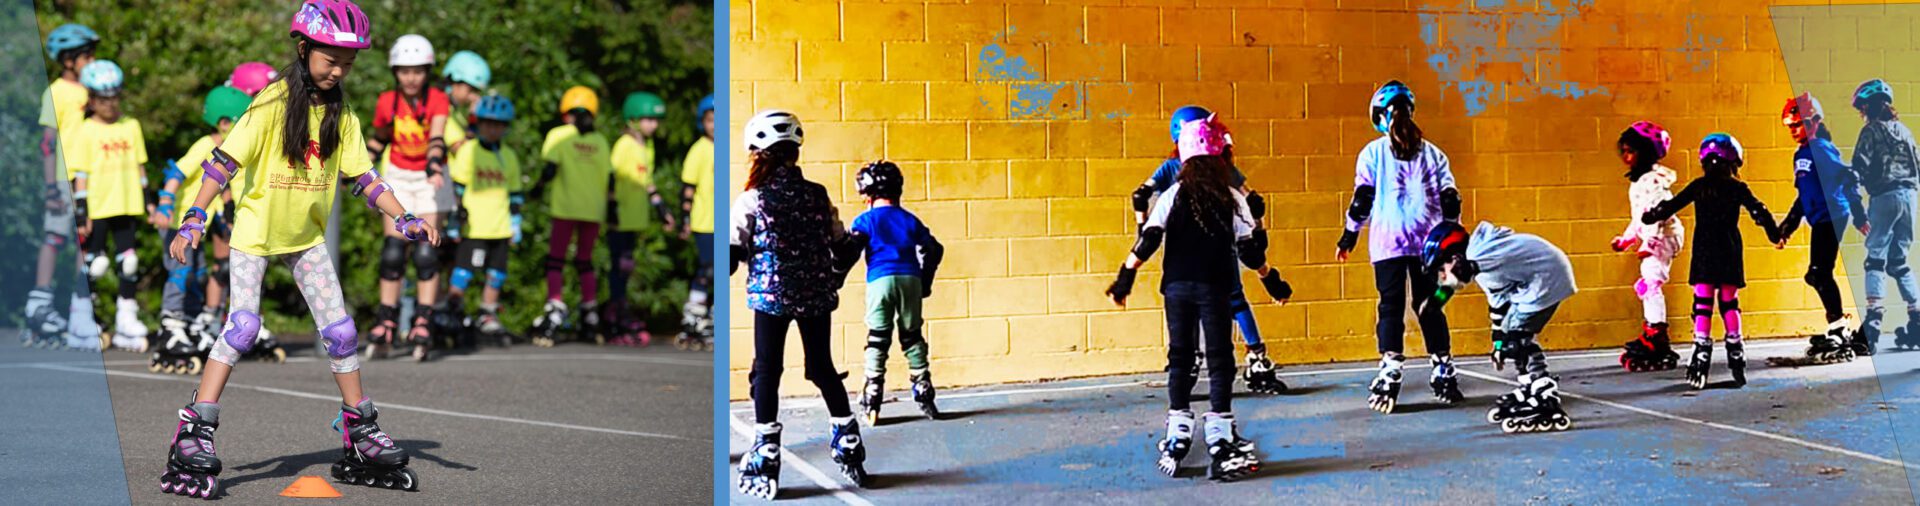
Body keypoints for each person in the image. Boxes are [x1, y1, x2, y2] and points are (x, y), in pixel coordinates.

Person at [159, 2, 432, 497]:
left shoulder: (341, 113)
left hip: (304, 238)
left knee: (342, 332)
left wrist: (404, 215)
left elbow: (364, 178)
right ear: (304, 49)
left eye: (348, 63)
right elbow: (223, 164)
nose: (338, 71)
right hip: (255, 235)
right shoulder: (271, 102)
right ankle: (193, 430)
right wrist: (194, 218)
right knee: (242, 328)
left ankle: (360, 428)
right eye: (331, 60)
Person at [1105, 114, 1290, 481]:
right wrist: (1273, 282)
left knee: (1180, 356)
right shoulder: (1233, 197)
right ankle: (1219, 435)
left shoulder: (1173, 194)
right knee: (1220, 358)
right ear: (1222, 156)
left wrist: (1125, 278)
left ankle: (1178, 431)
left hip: (1176, 288)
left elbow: (1149, 239)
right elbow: (1249, 253)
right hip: (1215, 288)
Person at [731, 110, 869, 499]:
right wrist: (841, 266)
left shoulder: (752, 199)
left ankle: (766, 447)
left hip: (770, 299)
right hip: (815, 296)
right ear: (794, 153)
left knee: (767, 371)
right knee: (821, 368)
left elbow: (732, 250)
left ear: (758, 155)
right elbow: (841, 247)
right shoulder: (818, 195)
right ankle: (848, 439)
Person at [1130, 105, 1284, 394]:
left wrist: (1142, 232)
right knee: (1227, 300)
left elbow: (1140, 196)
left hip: (1190, 250)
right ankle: (1252, 358)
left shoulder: (1201, 169)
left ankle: (1195, 363)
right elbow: (1254, 201)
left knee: (1193, 302)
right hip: (1214, 246)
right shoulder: (1193, 168)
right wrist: (1258, 234)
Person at [1335, 80, 1463, 413]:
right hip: (1428, 242)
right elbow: (1450, 200)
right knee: (1430, 305)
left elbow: (1362, 200)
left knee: (1390, 306)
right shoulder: (1434, 153)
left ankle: (1391, 368)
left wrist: (1349, 236)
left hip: (1388, 240)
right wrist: (1453, 242)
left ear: (1379, 116)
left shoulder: (1373, 153)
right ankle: (1443, 368)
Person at [1641, 133, 1782, 389]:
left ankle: (1701, 348)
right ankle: (1735, 347)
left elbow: (1671, 205)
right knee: (1729, 302)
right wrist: (1775, 234)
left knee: (1703, 303)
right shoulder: (1737, 188)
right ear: (1734, 161)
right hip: (1728, 249)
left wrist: (1650, 217)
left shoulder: (1699, 186)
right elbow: (1758, 211)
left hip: (1705, 249)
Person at [156, 86, 281, 374]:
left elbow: (223, 183)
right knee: (182, 272)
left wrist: (228, 210)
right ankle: (169, 325)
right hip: (182, 223)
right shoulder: (204, 144)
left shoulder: (229, 148)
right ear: (224, 122)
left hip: (206, 223)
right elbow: (178, 173)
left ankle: (192, 323)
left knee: (203, 273)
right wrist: (165, 204)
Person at [1424, 221, 1577, 433]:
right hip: (1537, 280)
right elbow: (1498, 309)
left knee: (1518, 341)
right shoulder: (1484, 271)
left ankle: (1544, 392)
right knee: (1509, 340)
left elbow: (1462, 271)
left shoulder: (1481, 251)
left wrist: (1435, 302)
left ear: (1455, 257)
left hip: (1546, 279)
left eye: (1442, 269)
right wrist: (1497, 344)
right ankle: (1529, 386)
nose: (1442, 276)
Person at [365, 33, 453, 361]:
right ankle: (387, 319)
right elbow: (380, 139)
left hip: (431, 176)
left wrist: (433, 164)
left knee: (426, 253)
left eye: (417, 71)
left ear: (427, 71)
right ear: (395, 72)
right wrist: (356, 169)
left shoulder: (438, 100)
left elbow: (438, 136)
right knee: (393, 251)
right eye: (404, 71)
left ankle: (423, 320)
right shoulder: (387, 101)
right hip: (399, 175)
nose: (411, 77)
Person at [849, 161, 945, 425]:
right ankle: (923, 386)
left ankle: (873, 389)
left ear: (867, 197)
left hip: (880, 279)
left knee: (878, 337)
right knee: (911, 335)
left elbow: (847, 252)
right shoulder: (909, 219)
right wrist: (925, 282)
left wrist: (834, 278)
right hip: (910, 278)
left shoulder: (865, 220)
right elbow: (934, 249)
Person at [1776, 93, 1871, 360]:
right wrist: (1787, 228)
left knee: (1819, 273)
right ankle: (1838, 325)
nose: (1795, 131)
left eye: (1800, 124)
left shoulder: (1821, 149)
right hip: (1819, 217)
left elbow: (1847, 177)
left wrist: (1859, 214)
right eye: (1791, 126)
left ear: (1815, 122)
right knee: (1817, 274)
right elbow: (1802, 197)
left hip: (1832, 216)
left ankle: (1838, 328)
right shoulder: (1802, 154)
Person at [25, 23, 102, 350]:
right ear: (68, 59)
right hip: (62, 176)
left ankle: (78, 306)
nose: (92, 60)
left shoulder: (92, 89)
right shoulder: (55, 91)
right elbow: (47, 143)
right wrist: (51, 188)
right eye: (87, 55)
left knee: (85, 240)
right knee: (55, 236)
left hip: (91, 176)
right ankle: (38, 303)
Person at [70, 59, 151, 354]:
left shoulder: (131, 126)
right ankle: (81, 316)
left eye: (114, 97)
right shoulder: (86, 130)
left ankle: (126, 319)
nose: (110, 104)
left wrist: (151, 202)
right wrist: (82, 212)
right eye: (103, 99)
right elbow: (80, 175)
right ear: (91, 99)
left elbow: (141, 168)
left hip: (127, 204)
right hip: (98, 208)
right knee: (96, 264)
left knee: (128, 263)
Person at [528, 86, 615, 346]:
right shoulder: (599, 141)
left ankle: (555, 305)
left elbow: (551, 169)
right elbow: (610, 179)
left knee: (556, 260)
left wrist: (537, 188)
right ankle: (589, 312)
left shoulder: (559, 135)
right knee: (584, 262)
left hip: (565, 209)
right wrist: (612, 208)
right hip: (593, 211)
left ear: (566, 114)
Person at [1846, 79, 1920, 352]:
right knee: (1899, 262)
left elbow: (1858, 170)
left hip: (1884, 196)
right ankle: (1917, 318)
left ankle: (1873, 325)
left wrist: (1857, 208)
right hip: (1910, 198)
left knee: (1875, 260)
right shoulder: (1906, 131)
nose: (1861, 112)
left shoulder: (1871, 131)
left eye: (1862, 107)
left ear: (1869, 106)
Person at [446, 94, 523, 348]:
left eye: (498, 125)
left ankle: (486, 313)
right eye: (488, 123)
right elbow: (457, 187)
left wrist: (516, 221)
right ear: (479, 123)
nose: (493, 129)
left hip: (499, 227)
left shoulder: (509, 156)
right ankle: (452, 311)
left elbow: (514, 194)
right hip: (475, 226)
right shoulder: (469, 151)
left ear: (505, 127)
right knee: (464, 273)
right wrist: (455, 220)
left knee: (496, 274)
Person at [604, 91, 678, 346]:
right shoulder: (623, 145)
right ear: (633, 119)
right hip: (620, 217)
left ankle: (620, 309)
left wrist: (661, 209)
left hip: (635, 218)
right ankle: (614, 313)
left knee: (626, 267)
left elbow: (647, 182)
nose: (654, 125)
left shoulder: (647, 146)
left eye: (656, 120)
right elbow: (611, 176)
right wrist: (611, 208)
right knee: (619, 265)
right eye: (648, 120)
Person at [1610, 121, 1685, 372]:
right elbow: (1639, 217)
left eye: (1631, 151)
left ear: (1646, 152)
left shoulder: (1653, 182)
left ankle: (1657, 336)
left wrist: (1649, 243)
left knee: (1651, 283)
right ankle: (1652, 328)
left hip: (1664, 236)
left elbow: (1657, 214)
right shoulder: (1639, 181)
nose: (1626, 156)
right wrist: (1627, 238)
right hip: (1655, 235)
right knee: (1646, 285)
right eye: (1624, 151)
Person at [678, 93, 717, 350]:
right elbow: (687, 189)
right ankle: (694, 313)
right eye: (710, 120)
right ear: (702, 122)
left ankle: (712, 314)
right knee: (707, 269)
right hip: (704, 222)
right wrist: (685, 219)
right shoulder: (699, 149)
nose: (715, 125)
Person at [440, 50, 489, 155]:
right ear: (454, 81)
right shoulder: (443, 109)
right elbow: (459, 149)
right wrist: (474, 121)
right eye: (471, 90)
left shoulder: (455, 111)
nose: (474, 97)